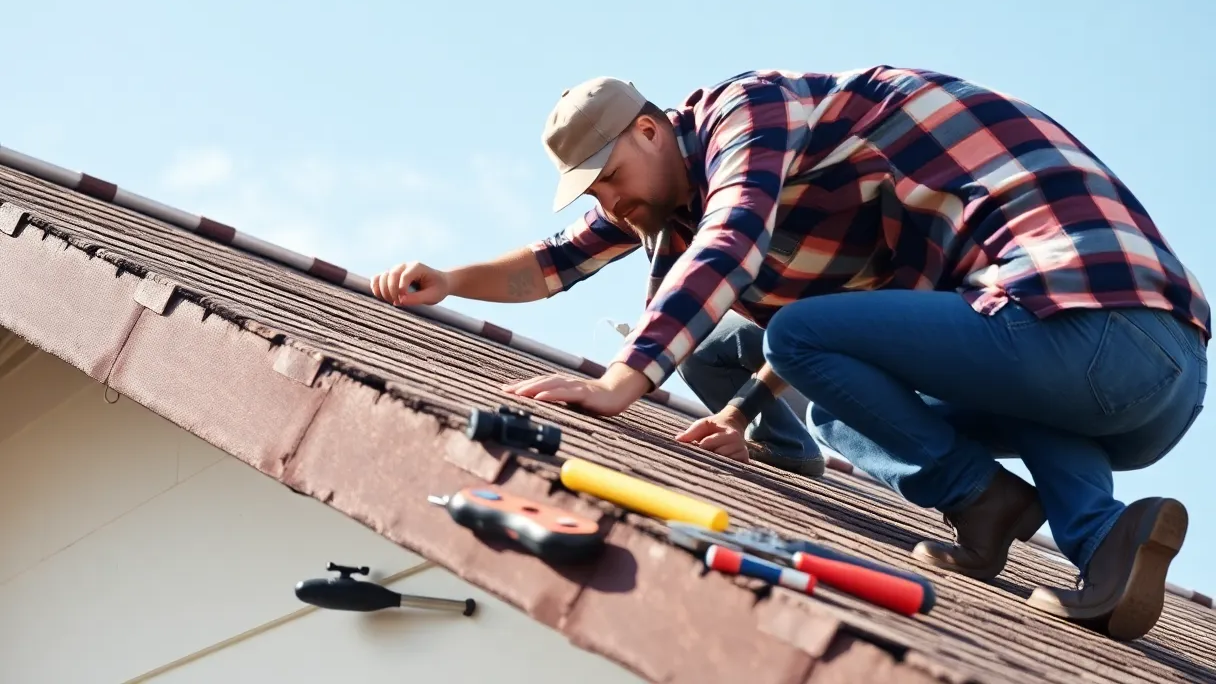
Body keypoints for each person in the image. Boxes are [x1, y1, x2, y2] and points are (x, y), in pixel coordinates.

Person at [370, 68, 1209, 642]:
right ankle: (1104, 544)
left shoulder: (752, 115)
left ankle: (978, 496)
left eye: (611, 176)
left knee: (798, 331)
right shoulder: (667, 192)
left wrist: (622, 383)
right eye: (594, 194)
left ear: (655, 131)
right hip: (1147, 379)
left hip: (1085, 319)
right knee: (841, 391)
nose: (610, 202)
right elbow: (553, 263)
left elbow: (733, 248)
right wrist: (448, 279)